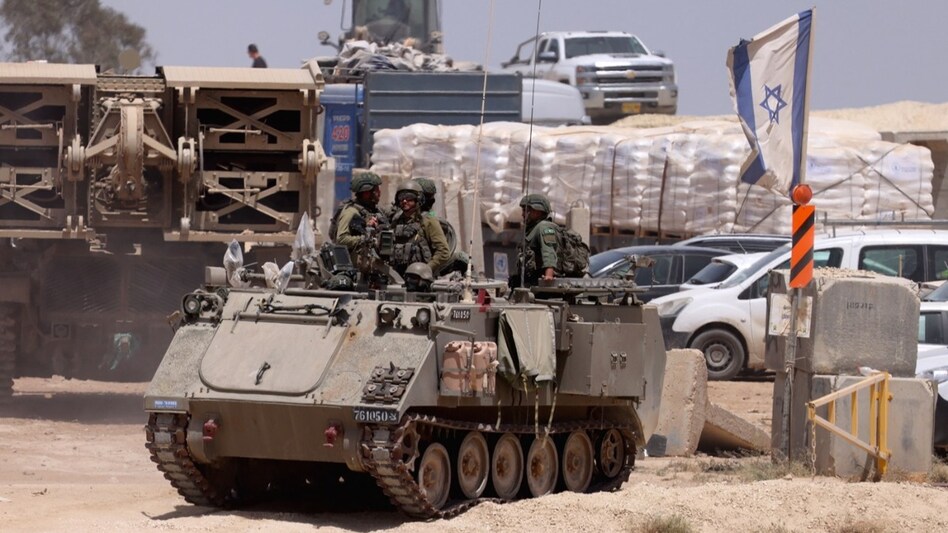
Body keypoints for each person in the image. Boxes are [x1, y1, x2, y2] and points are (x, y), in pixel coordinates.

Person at [389, 180, 451, 277]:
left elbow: (443, 252)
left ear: (418, 199)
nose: (404, 201)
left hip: (421, 279)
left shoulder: (428, 220)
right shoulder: (396, 220)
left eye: (409, 197)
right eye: (401, 197)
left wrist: (425, 270)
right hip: (397, 276)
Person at [514, 193, 559, 286]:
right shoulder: (532, 229)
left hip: (541, 283)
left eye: (526, 211)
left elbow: (549, 250)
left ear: (537, 212)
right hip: (530, 281)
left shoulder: (544, 227)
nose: (523, 214)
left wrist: (548, 275)